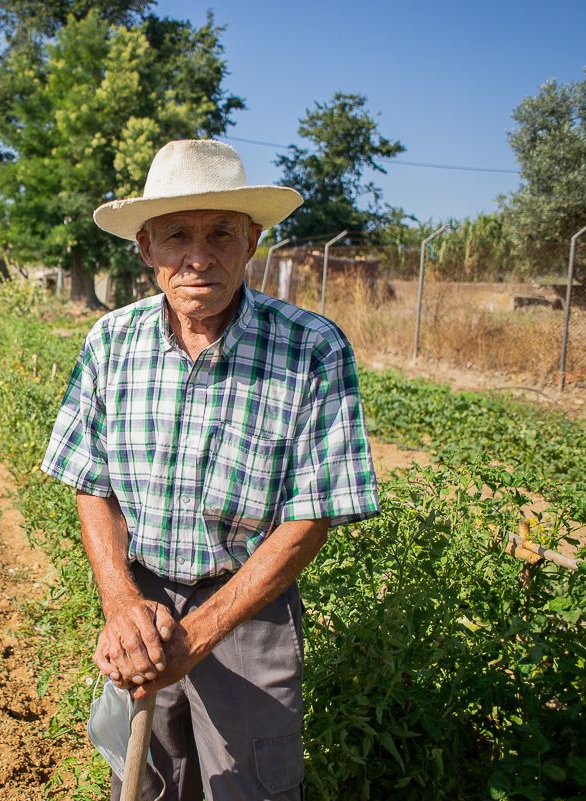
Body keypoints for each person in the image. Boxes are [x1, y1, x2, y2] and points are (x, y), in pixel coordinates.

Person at [42, 139, 380, 801]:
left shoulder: (311, 346)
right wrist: (120, 602)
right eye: (177, 236)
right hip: (142, 607)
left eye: (222, 232)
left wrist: (201, 631)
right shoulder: (113, 341)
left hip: (249, 609)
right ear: (145, 247)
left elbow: (314, 513)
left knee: (253, 786)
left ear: (252, 239)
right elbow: (92, 481)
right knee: (145, 782)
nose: (200, 257)